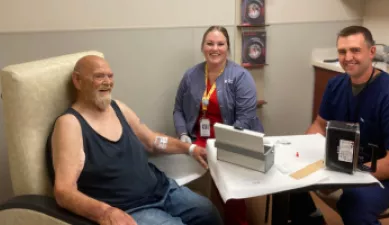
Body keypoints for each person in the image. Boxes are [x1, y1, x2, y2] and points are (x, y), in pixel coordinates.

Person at [46, 55, 223, 225]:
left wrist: (190, 149)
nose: (107, 82)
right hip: (130, 208)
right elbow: (63, 191)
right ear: (78, 81)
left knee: (208, 213)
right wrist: (105, 213)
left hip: (162, 189)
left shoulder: (118, 108)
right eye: (99, 76)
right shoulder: (70, 124)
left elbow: (152, 140)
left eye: (110, 76)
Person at [290, 26, 389, 225]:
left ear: (372, 52)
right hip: (348, 162)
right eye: (342, 51)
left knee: (355, 203)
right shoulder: (336, 85)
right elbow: (319, 126)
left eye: (355, 50)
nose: (348, 57)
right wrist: (304, 153)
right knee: (292, 180)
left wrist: (341, 175)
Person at [173, 25, 264, 225]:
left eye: (220, 44)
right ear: (202, 47)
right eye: (210, 43)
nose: (215, 48)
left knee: (229, 185)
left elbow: (245, 120)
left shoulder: (241, 77)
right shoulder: (191, 75)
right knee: (177, 177)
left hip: (231, 139)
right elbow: (178, 109)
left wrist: (221, 147)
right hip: (199, 138)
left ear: (228, 48)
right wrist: (182, 136)